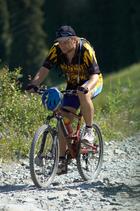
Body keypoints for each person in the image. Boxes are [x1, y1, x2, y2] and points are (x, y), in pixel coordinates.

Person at [27, 25, 103, 174]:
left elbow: (95, 74)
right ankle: (61, 160)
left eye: (65, 41)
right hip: (73, 84)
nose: (61, 45)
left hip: (93, 82)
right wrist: (34, 84)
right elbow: (44, 69)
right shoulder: (56, 49)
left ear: (74, 40)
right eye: (59, 42)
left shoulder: (85, 49)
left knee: (83, 94)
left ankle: (89, 131)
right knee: (62, 117)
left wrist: (86, 87)